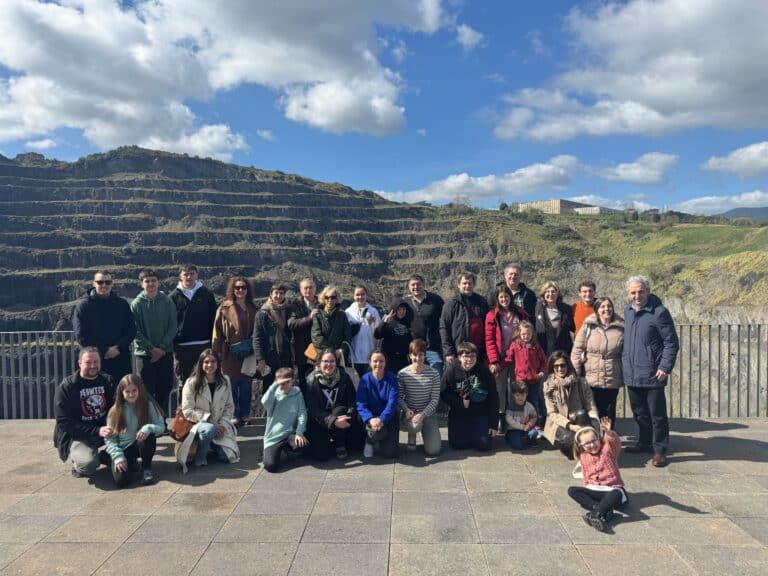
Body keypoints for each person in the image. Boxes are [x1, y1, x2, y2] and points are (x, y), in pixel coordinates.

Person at [622, 275, 679, 468]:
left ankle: (660, 450)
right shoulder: (628, 312)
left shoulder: (659, 312)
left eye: (641, 291)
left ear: (648, 290)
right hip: (632, 372)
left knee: (657, 415)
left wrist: (664, 367)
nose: (637, 295)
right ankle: (644, 443)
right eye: (633, 292)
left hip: (653, 372)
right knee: (639, 413)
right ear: (628, 294)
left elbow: (671, 342)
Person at [53, 347, 115, 477]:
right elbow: (63, 422)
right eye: (88, 362)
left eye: (96, 362)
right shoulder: (67, 387)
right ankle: (78, 462)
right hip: (78, 435)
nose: (93, 366)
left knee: (131, 457)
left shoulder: (107, 381)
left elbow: (115, 408)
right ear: (79, 363)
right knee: (88, 466)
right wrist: (96, 431)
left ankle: (104, 455)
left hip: (105, 431)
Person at [176, 349, 240, 472]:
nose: (210, 365)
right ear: (201, 364)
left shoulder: (225, 380)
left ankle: (212, 445)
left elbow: (229, 406)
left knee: (226, 458)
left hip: (220, 424)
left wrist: (222, 424)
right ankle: (201, 455)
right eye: (206, 362)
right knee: (209, 429)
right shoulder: (191, 383)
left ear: (218, 363)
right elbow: (188, 410)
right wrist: (210, 421)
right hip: (198, 425)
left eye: (213, 361)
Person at [72, 270, 136, 384]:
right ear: (93, 283)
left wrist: (118, 348)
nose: (104, 285)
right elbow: (81, 335)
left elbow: (131, 330)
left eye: (107, 282)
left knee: (121, 396)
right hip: (95, 362)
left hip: (120, 359)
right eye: (100, 282)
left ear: (112, 284)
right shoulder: (83, 306)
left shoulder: (122, 304)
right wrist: (104, 350)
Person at [567, 417, 628, 532]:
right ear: (581, 446)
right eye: (587, 443)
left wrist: (609, 432)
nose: (592, 445)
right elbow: (586, 476)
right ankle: (602, 510)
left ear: (599, 439)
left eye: (594, 440)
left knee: (616, 492)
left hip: (612, 490)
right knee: (572, 490)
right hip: (596, 491)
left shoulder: (607, 450)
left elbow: (614, 443)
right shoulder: (584, 456)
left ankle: (595, 514)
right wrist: (587, 489)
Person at [571, 297, 624, 427]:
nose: (606, 309)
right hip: (591, 376)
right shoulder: (588, 326)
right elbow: (577, 350)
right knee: (592, 410)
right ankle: (593, 441)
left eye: (609, 306)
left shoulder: (622, 327)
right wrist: (576, 373)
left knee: (609, 411)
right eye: (602, 307)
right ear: (596, 310)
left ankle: (608, 441)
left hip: (612, 375)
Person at [104, 374, 165, 487]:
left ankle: (146, 468)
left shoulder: (148, 405)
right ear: (122, 392)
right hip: (124, 448)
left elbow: (161, 427)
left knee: (148, 436)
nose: (131, 394)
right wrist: (118, 457)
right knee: (121, 482)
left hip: (141, 444)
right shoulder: (114, 411)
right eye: (127, 391)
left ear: (140, 390)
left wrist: (149, 427)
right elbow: (110, 438)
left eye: (134, 390)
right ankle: (124, 461)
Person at [131, 269, 177, 413]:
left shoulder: (167, 301)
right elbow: (134, 330)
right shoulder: (136, 304)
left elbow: (173, 326)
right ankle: (148, 420)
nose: (151, 283)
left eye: (153, 280)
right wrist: (152, 349)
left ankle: (161, 420)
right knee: (146, 389)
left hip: (165, 353)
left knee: (165, 387)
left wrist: (162, 348)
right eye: (147, 281)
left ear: (158, 282)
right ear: (141, 284)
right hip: (144, 354)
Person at [212, 276, 256, 427]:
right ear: (232, 289)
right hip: (229, 352)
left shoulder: (253, 308)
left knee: (246, 385)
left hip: (248, 352)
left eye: (243, 287)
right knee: (230, 384)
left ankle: (245, 414)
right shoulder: (224, 308)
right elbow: (217, 332)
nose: (240, 290)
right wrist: (216, 353)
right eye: (237, 287)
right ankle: (233, 415)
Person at [303, 349, 364, 460]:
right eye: (325, 361)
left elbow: (352, 399)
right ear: (319, 363)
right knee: (322, 456)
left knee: (339, 410)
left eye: (332, 361)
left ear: (336, 363)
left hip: (340, 414)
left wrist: (349, 414)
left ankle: (340, 445)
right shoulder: (311, 381)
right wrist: (333, 421)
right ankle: (326, 440)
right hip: (320, 419)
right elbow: (314, 409)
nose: (329, 364)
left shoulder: (344, 377)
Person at [440, 342, 498, 452]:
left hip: (480, 413)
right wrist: (459, 402)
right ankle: (469, 434)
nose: (469, 359)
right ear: (459, 357)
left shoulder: (484, 371)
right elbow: (443, 393)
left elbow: (494, 397)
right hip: (459, 413)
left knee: (484, 445)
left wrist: (493, 424)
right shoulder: (451, 370)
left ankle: (476, 434)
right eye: (465, 356)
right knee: (457, 445)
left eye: (472, 356)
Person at [485, 285, 528, 430]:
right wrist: (494, 361)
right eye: (501, 297)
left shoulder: (520, 313)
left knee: (515, 387)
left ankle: (515, 416)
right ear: (497, 298)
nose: (504, 299)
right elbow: (489, 339)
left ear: (511, 297)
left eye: (507, 296)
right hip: (500, 359)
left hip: (518, 358)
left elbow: (528, 334)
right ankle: (500, 415)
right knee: (499, 387)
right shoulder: (492, 315)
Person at [543, 352, 598, 459]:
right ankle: (573, 448)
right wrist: (570, 426)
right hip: (560, 422)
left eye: (563, 365)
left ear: (568, 365)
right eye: (556, 366)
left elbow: (590, 404)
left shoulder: (581, 382)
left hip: (579, 418)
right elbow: (552, 413)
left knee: (582, 414)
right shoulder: (548, 386)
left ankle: (587, 452)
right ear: (552, 368)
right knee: (568, 440)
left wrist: (595, 424)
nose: (560, 369)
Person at [170, 264, 218, 388]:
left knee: (205, 381)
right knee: (185, 383)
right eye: (186, 274)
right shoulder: (173, 297)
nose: (189, 276)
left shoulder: (207, 295)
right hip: (182, 348)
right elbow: (170, 322)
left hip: (204, 345)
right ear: (180, 276)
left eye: (192, 273)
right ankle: (184, 408)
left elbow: (214, 319)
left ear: (197, 275)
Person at [398, 339, 441, 455]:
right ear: (410, 356)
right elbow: (399, 397)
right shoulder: (402, 374)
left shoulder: (434, 374)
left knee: (434, 450)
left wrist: (423, 414)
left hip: (427, 413)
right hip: (410, 413)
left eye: (421, 354)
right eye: (415, 355)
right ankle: (412, 435)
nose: (418, 358)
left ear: (425, 355)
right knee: (414, 425)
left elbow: (435, 399)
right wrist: (406, 410)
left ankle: (425, 432)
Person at [261, 367, 308, 473]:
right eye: (281, 383)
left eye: (287, 382)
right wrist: (274, 386)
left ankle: (287, 449)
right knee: (270, 466)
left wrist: (299, 433)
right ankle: (275, 451)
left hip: (290, 433)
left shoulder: (297, 393)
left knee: (306, 446)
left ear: (292, 381)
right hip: (275, 436)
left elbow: (302, 414)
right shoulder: (274, 395)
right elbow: (264, 402)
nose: (284, 385)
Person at [357, 351, 400, 458]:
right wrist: (371, 419)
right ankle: (370, 441)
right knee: (376, 432)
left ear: (385, 363)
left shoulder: (392, 378)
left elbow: (392, 403)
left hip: (388, 417)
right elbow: (360, 403)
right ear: (370, 363)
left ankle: (380, 438)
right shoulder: (364, 380)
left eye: (381, 361)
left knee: (390, 454)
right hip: (371, 417)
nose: (378, 364)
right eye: (375, 361)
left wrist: (382, 419)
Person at [440, 272, 490, 364]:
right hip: (458, 352)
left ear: (474, 284)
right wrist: (448, 352)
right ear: (458, 285)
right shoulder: (451, 304)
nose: (467, 286)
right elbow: (444, 328)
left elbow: (489, 326)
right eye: (464, 283)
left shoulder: (482, 302)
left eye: (470, 283)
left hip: (479, 352)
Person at [253, 283, 293, 391]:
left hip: (285, 357)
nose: (278, 296)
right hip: (269, 358)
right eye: (276, 293)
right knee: (269, 389)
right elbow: (257, 338)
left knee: (285, 388)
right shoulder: (262, 314)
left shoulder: (289, 310)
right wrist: (260, 359)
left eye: (281, 293)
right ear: (271, 294)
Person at [508, 320, 548, 425]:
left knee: (533, 402)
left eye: (528, 334)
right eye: (523, 334)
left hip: (534, 380)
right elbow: (508, 358)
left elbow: (544, 361)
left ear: (532, 334)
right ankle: (518, 423)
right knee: (519, 401)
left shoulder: (536, 347)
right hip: (520, 380)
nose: (526, 336)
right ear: (519, 334)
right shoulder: (515, 345)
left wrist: (542, 373)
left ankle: (535, 425)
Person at [402, 274, 444, 374]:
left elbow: (444, 321)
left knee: (436, 378)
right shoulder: (405, 302)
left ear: (424, 285)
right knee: (416, 379)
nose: (416, 287)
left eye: (418, 284)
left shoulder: (436, 300)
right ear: (409, 287)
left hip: (433, 348)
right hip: (414, 349)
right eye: (413, 285)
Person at [287, 277, 320, 387]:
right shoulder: (295, 305)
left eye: (310, 287)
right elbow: (292, 324)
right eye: (305, 288)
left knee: (319, 381)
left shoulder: (322, 303)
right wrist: (309, 318)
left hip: (319, 350)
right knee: (304, 381)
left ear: (315, 289)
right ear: (301, 290)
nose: (308, 290)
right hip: (302, 351)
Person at [345, 285, 381, 377]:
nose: (360, 297)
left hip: (369, 356)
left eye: (362, 294)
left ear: (366, 295)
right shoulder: (348, 312)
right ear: (353, 296)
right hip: (353, 358)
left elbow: (378, 332)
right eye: (357, 295)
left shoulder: (373, 312)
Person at [311, 285, 351, 360]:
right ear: (323, 298)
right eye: (327, 297)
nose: (330, 300)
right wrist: (331, 352)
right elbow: (316, 336)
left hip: (338, 356)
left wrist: (342, 350)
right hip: (322, 355)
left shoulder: (342, 315)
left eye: (333, 297)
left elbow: (347, 335)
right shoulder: (318, 314)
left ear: (337, 299)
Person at [535, 281, 574, 355]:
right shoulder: (538, 308)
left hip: (562, 345)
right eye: (547, 292)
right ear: (543, 294)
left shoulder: (566, 309)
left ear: (558, 294)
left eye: (553, 292)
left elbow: (573, 326)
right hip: (544, 345)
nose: (550, 294)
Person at [374, 300, 413, 374]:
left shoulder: (407, 322)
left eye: (404, 309)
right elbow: (377, 335)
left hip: (403, 359)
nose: (402, 311)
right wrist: (384, 323)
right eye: (399, 309)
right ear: (394, 309)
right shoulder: (389, 321)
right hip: (389, 359)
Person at [504, 382, 540, 450]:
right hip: (514, 429)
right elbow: (509, 420)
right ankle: (509, 437)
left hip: (526, 428)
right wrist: (522, 427)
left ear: (526, 394)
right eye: (517, 395)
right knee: (518, 446)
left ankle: (527, 439)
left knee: (535, 432)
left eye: (523, 395)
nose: (520, 397)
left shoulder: (529, 406)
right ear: (513, 395)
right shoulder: (511, 406)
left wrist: (529, 425)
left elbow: (534, 417)